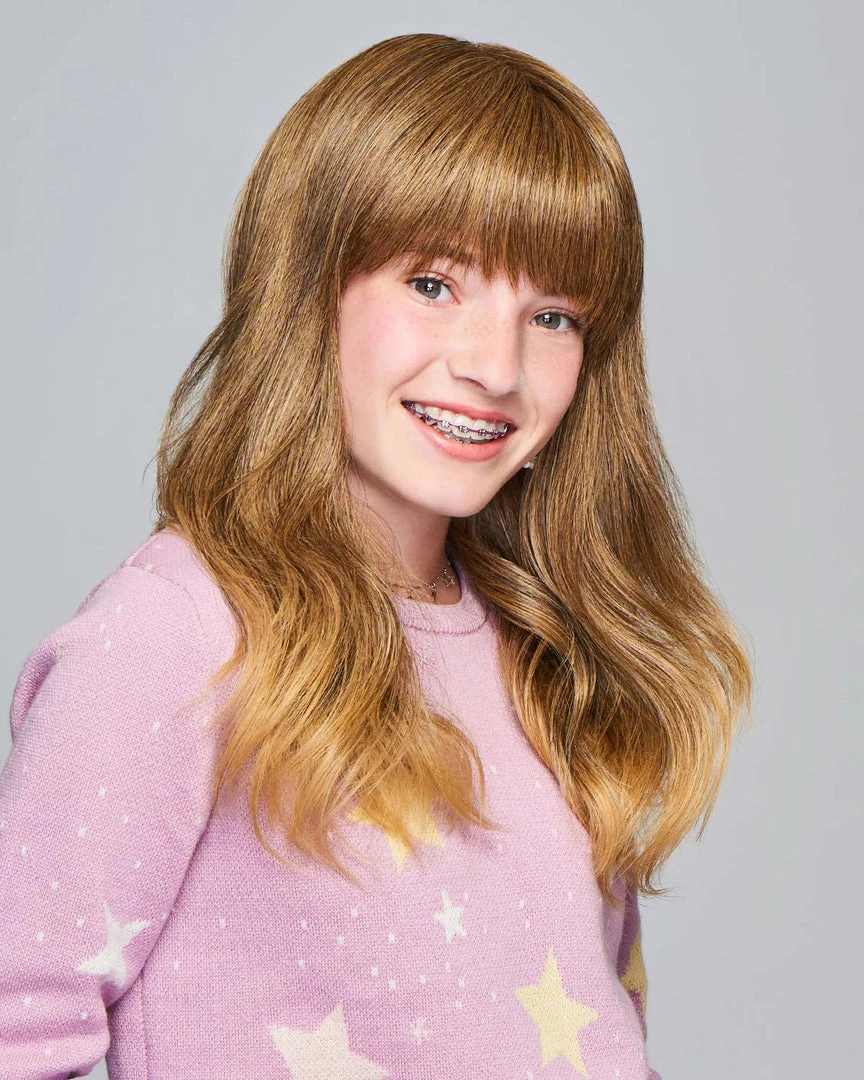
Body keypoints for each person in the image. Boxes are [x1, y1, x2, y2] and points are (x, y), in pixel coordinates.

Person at [0, 32, 753, 1079]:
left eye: (552, 315)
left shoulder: (551, 662)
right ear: (310, 290)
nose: (496, 367)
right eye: (434, 285)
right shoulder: (177, 637)